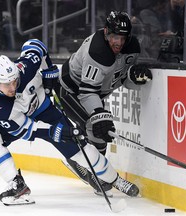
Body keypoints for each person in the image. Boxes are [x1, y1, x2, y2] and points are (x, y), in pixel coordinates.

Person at [0, 39, 139, 206]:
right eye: (6, 84)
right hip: (24, 123)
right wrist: (57, 131)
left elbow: (35, 45)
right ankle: (17, 185)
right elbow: (27, 130)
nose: (12, 87)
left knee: (82, 151)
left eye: (14, 81)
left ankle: (116, 180)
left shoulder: (24, 68)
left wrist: (49, 72)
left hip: (47, 112)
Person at [56, 11, 152, 195]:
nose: (119, 42)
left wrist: (132, 76)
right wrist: (99, 114)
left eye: (123, 38)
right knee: (97, 126)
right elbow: (87, 92)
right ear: (107, 32)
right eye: (115, 37)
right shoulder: (97, 51)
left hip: (93, 92)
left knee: (98, 129)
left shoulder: (131, 47)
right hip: (69, 91)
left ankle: (89, 167)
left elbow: (120, 78)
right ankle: (98, 174)